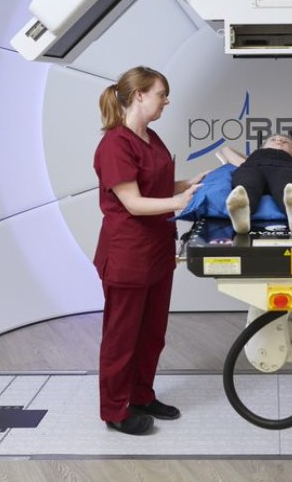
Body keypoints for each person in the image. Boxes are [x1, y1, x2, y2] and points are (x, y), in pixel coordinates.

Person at [93, 65, 204, 436]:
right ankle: (115, 409)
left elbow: (156, 185)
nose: (166, 100)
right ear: (139, 95)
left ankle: (141, 394)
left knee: (152, 333)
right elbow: (135, 203)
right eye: (161, 93)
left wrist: (192, 183)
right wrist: (179, 201)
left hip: (157, 250)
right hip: (127, 254)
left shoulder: (151, 138)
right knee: (122, 336)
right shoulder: (115, 144)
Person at [221, 134, 292, 235]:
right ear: (262, 147)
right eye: (273, 140)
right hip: (253, 169)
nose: (279, 141)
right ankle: (241, 218)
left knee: (286, 184)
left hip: (283, 169)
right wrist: (248, 157)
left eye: (285, 141)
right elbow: (226, 149)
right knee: (247, 181)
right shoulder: (250, 159)